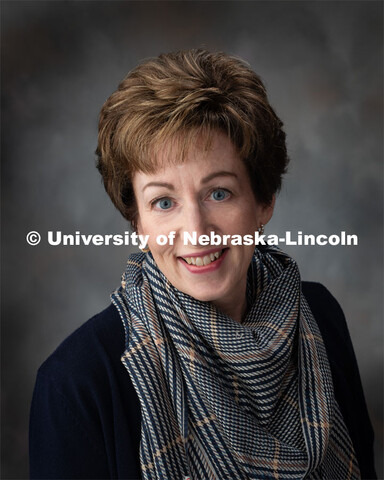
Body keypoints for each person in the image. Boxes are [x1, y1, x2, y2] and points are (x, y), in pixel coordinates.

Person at [29, 49, 376, 479]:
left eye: (219, 193)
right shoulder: (77, 384)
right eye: (163, 202)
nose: (195, 231)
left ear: (264, 200)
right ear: (137, 220)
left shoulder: (320, 316)